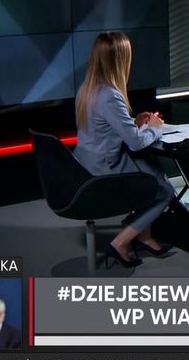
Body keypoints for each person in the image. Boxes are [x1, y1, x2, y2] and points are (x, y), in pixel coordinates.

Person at [73, 31, 175, 267]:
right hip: (104, 168)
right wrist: (155, 127)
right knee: (164, 191)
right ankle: (121, 241)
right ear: (119, 60)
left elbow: (105, 129)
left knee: (151, 170)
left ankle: (144, 234)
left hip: (86, 162)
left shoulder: (87, 89)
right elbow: (136, 143)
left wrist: (134, 122)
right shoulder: (110, 95)